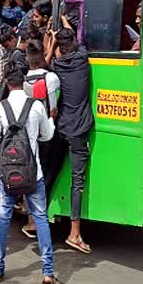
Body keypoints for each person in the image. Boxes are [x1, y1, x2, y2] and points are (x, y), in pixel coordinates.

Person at [0, 68, 62, 284]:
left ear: (7, 83)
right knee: (40, 218)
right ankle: (48, 273)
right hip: (34, 173)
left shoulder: (1, 108)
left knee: (4, 218)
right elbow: (47, 136)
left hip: (8, 175)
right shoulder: (36, 106)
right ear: (24, 83)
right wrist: (49, 121)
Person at [50, 28, 94, 254]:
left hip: (61, 128)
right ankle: (74, 234)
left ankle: (32, 218)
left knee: (49, 171)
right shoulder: (82, 59)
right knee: (77, 182)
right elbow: (80, 38)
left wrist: (52, 42)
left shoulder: (57, 66)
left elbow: (53, 56)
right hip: (78, 131)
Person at [21, 39, 61, 237]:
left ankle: (30, 218)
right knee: (46, 175)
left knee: (34, 172)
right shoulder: (51, 78)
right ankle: (37, 219)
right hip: (48, 133)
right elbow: (53, 110)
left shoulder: (26, 79)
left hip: (30, 133)